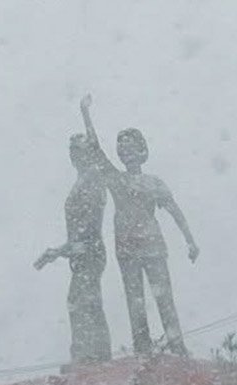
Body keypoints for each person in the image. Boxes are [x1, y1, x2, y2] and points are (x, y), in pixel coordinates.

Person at [80, 94, 199, 356]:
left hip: (153, 245)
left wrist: (190, 241)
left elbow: (175, 212)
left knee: (164, 298)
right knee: (135, 302)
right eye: (122, 148)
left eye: (131, 147)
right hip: (127, 248)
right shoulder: (116, 179)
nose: (126, 152)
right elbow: (95, 149)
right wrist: (85, 113)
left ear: (142, 151)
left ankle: (177, 345)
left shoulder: (154, 182)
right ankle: (142, 348)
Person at [34, 131, 113, 364]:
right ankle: (91, 355)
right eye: (71, 151)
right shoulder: (83, 181)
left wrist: (60, 251)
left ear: (88, 153)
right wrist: (62, 251)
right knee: (83, 301)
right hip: (82, 253)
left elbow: (88, 229)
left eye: (78, 150)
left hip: (89, 251)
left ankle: (91, 356)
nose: (73, 155)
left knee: (83, 302)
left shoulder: (92, 180)